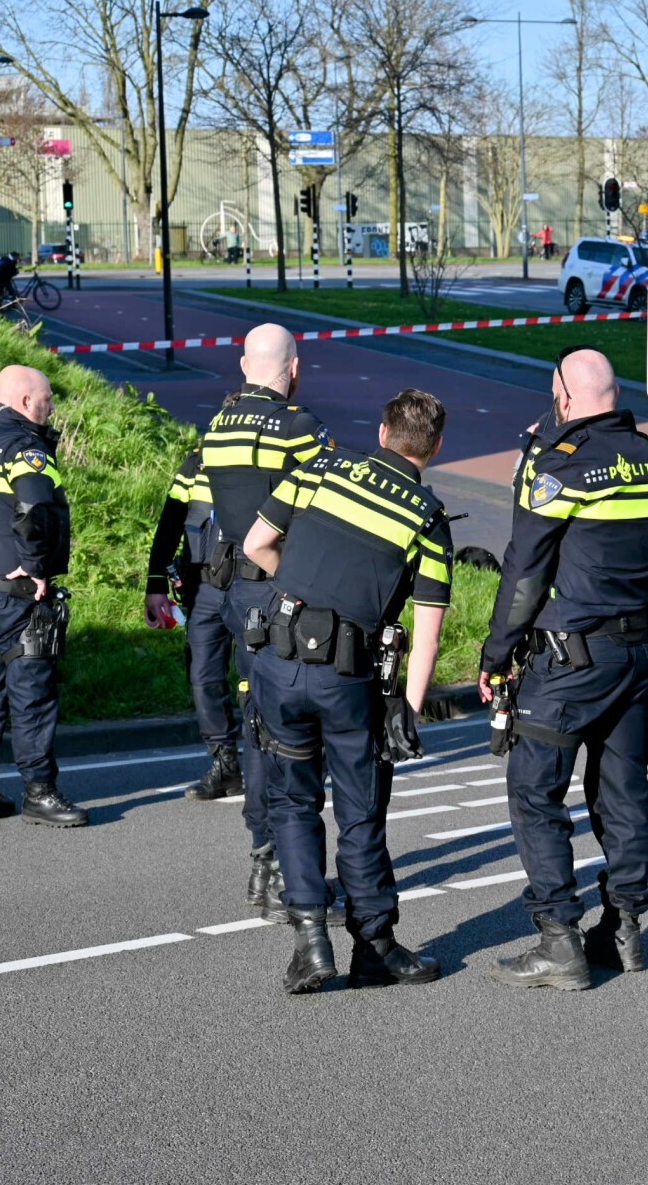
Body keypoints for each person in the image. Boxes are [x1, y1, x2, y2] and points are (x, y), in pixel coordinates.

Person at [479, 347, 648, 990]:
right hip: (637, 653)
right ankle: (623, 931)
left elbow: (524, 573)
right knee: (623, 791)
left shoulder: (558, 466)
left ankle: (560, 942)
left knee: (535, 791)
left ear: (562, 394)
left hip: (568, 662)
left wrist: (496, 657)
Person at [241, 389, 454, 994]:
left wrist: (307, 594)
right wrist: (407, 714)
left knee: (292, 802)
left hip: (279, 664)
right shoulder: (427, 517)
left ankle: (311, 943)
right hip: (349, 680)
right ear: (435, 448)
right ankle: (375, 946)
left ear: (383, 432)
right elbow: (431, 632)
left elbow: (257, 544)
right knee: (360, 812)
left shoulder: (318, 469)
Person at [201, 324, 335, 921]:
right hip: (286, 590)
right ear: (295, 368)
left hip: (236, 594)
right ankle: (288, 868)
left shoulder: (216, 428)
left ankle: (262, 854)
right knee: (293, 733)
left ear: (241, 365)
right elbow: (326, 506)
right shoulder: (301, 428)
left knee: (258, 722)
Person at [0, 365, 87, 828]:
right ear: (26, 402)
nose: (51, 407)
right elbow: (35, 505)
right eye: (47, 399)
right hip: (16, 593)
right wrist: (35, 563)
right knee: (32, 693)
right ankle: (40, 792)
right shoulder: (25, 447)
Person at [143, 443, 240, 800]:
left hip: (254, 585)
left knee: (261, 677)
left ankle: (275, 761)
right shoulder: (198, 459)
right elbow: (170, 522)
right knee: (203, 676)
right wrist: (155, 583)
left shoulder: (270, 454)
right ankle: (225, 764)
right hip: (203, 589)